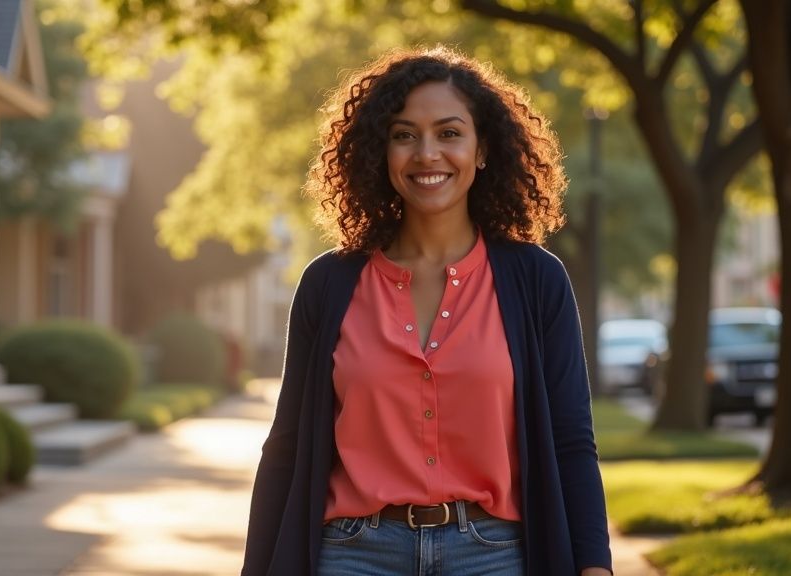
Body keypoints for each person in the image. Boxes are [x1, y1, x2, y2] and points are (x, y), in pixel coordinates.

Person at [242, 46, 613, 576]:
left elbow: (571, 441)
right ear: (381, 151)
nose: (426, 153)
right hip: (353, 555)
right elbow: (286, 448)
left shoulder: (536, 281)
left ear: (482, 149)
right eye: (404, 135)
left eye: (449, 133)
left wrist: (595, 566)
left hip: (495, 556)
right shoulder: (328, 284)